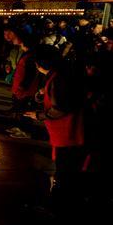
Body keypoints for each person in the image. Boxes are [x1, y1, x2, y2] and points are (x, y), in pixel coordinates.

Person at [24, 46, 85, 202]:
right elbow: (51, 97)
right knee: (64, 164)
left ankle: (59, 199)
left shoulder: (57, 79)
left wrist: (39, 115)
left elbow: (61, 107)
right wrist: (41, 95)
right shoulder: (57, 76)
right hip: (64, 131)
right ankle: (60, 194)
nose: (36, 66)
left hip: (66, 130)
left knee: (64, 166)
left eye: (37, 63)